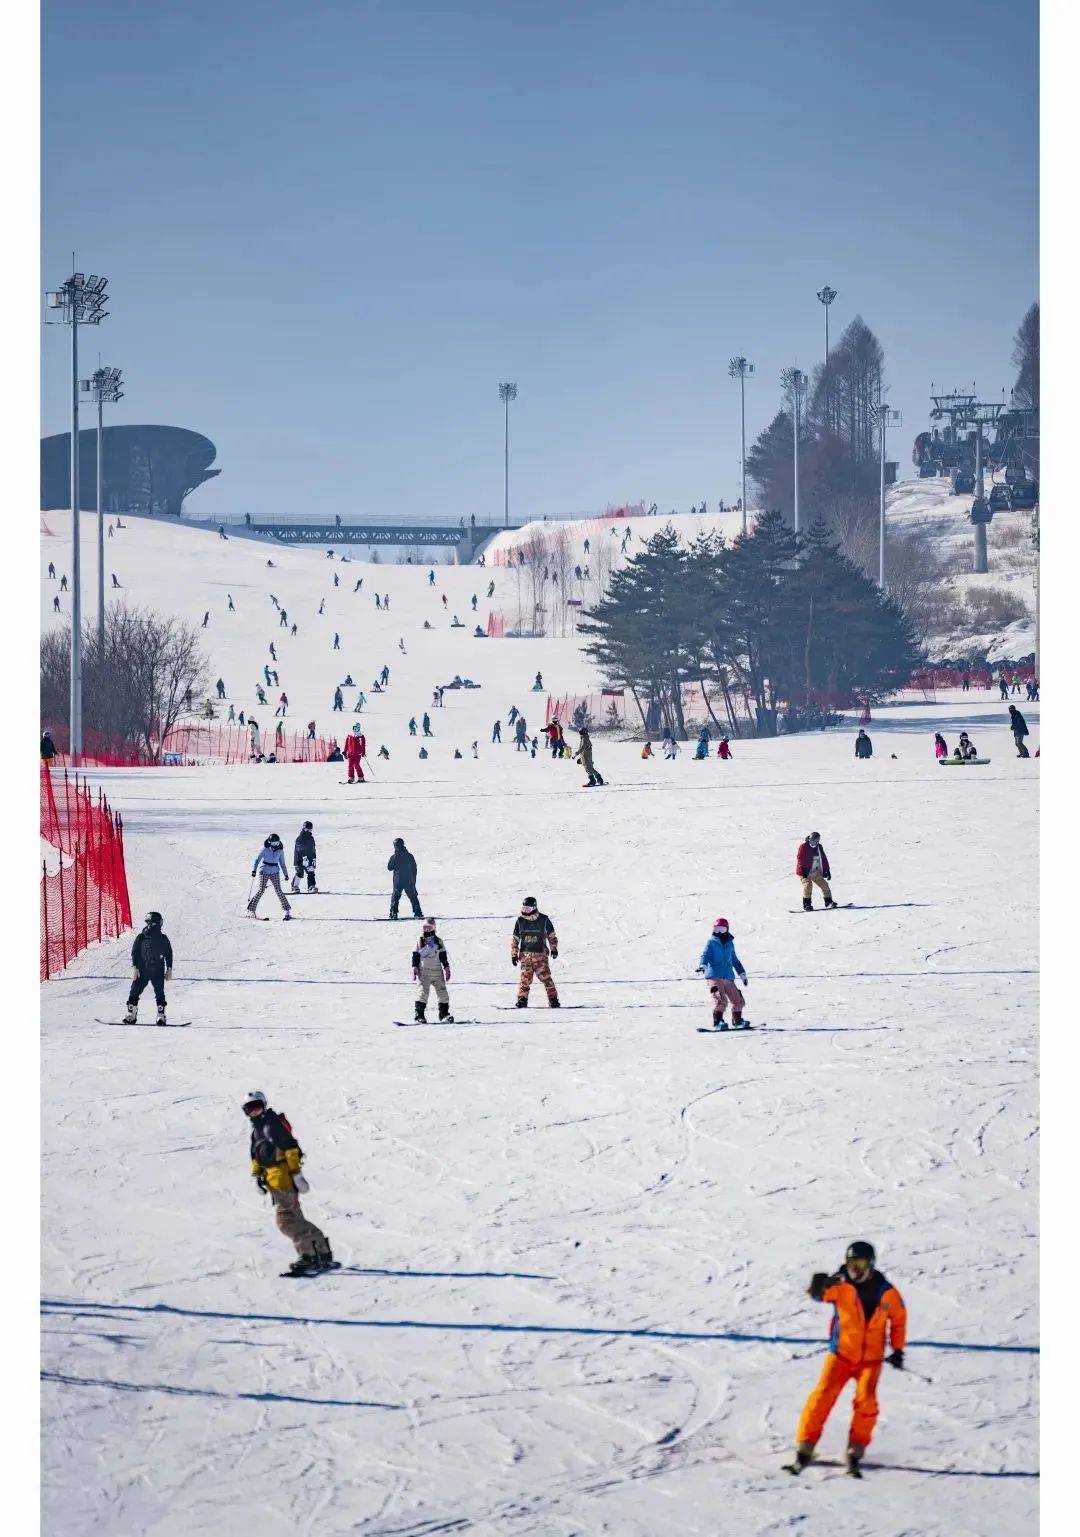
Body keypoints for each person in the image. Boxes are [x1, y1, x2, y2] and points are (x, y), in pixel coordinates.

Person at [787, 1241, 907, 1478]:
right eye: (852, 1263)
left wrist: (897, 1349)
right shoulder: (840, 1285)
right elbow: (821, 1295)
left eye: (861, 1264)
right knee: (822, 1396)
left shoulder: (888, 1293)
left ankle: (856, 1448)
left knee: (867, 1402)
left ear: (871, 1265)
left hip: (870, 1360)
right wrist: (818, 1286)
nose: (855, 1269)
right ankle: (805, 1445)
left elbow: (899, 1319)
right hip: (841, 1355)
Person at [243, 1091, 333, 1276]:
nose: (254, 1111)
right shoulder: (258, 1130)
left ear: (264, 1104)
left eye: (256, 1106)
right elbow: (256, 1157)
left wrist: (297, 1174)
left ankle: (309, 1256)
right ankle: (321, 1254)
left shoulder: (271, 1125)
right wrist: (256, 1177)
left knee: (286, 1222)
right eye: (249, 1108)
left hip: (284, 1179)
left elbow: (290, 1149)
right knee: (295, 1219)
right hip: (274, 1181)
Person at [695, 917, 748, 1029]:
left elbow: (734, 960)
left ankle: (737, 1021)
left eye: (722, 929)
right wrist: (703, 965)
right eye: (716, 929)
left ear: (727, 929)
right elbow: (706, 955)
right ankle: (718, 1022)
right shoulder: (711, 942)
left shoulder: (730, 944)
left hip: (728, 976)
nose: (719, 932)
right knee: (720, 1000)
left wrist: (742, 974)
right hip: (714, 975)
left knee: (738, 1000)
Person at [123, 911, 173, 1024]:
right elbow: (135, 953)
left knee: (159, 992)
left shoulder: (163, 938)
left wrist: (169, 968)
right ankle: (131, 1013)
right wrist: (135, 967)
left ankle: (161, 1015)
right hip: (142, 970)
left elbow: (168, 953)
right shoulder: (141, 937)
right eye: (159, 922)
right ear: (156, 923)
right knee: (134, 991)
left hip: (158, 970)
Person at [511, 897, 559, 1008]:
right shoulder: (520, 921)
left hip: (540, 956)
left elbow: (552, 936)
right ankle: (522, 999)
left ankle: (553, 999)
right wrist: (514, 954)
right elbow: (515, 939)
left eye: (528, 909)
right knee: (524, 980)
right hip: (525, 956)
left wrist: (554, 948)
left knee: (546, 978)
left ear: (534, 908)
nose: (525, 911)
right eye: (524, 908)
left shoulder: (544, 920)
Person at [411, 919, 452, 1022]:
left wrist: (446, 967)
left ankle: (444, 1014)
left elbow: (443, 956)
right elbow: (415, 955)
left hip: (437, 972)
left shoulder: (438, 941)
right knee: (422, 993)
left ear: (434, 928)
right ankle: (419, 1015)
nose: (427, 930)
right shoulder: (420, 941)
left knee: (442, 992)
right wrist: (414, 967)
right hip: (424, 972)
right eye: (425, 927)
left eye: (429, 927)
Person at [248, 835, 293, 919]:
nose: (276, 844)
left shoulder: (280, 851)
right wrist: (254, 870)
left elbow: (282, 864)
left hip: (275, 872)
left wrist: (286, 874)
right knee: (261, 890)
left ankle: (287, 911)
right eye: (274, 842)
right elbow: (257, 860)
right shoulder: (265, 849)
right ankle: (251, 910)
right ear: (270, 842)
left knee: (278, 890)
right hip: (264, 871)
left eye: (277, 842)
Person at [796, 832, 836, 911]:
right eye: (813, 840)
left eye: (817, 840)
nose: (815, 842)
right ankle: (807, 904)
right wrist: (803, 870)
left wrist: (827, 870)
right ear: (810, 839)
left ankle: (828, 902)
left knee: (824, 885)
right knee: (808, 885)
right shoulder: (803, 846)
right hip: (805, 872)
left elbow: (823, 859)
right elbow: (800, 858)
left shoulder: (819, 847)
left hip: (814, 871)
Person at [388, 837, 423, 919]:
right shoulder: (409, 856)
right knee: (413, 896)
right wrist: (413, 880)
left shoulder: (395, 856)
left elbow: (390, 867)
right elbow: (414, 869)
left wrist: (396, 857)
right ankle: (418, 912)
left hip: (399, 880)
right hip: (408, 879)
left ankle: (393, 913)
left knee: (396, 896)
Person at [291, 821, 317, 892]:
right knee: (300, 873)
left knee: (311, 872)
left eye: (310, 829)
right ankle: (294, 886)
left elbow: (313, 849)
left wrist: (314, 858)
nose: (308, 830)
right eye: (307, 829)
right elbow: (300, 849)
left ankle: (311, 886)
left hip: (309, 859)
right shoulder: (300, 838)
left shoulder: (311, 838)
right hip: (299, 859)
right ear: (304, 828)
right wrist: (304, 858)